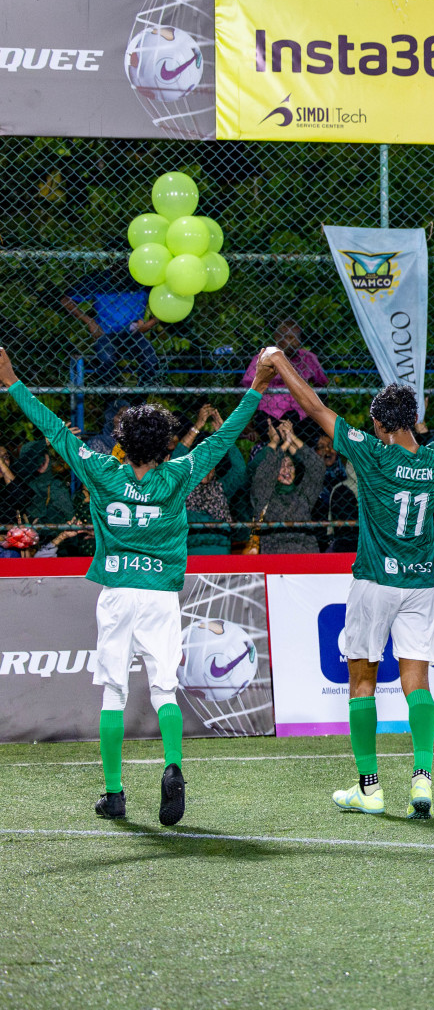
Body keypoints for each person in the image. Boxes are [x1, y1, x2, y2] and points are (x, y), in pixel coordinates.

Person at [0, 344, 274, 824]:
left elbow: (54, 431)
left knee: (113, 694)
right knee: (164, 690)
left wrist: (12, 382)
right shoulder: (179, 474)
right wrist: (257, 389)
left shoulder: (102, 471)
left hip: (119, 594)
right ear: (167, 445)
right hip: (161, 597)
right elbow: (225, 434)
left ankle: (115, 793)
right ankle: (172, 767)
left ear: (123, 442)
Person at [268, 340, 434, 818]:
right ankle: (422, 781)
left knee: (361, 683)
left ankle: (369, 788)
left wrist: (281, 362)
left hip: (374, 583)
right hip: (421, 583)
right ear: (413, 422)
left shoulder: (370, 453)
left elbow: (314, 406)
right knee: (417, 685)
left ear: (381, 425)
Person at [62, 269, 159, 382]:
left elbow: (166, 300)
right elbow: (66, 300)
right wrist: (90, 322)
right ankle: (111, 397)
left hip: (135, 332)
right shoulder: (99, 278)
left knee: (151, 359)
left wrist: (150, 323)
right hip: (106, 333)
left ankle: (139, 398)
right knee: (106, 358)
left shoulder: (143, 278)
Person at [250, 420, 325, 554]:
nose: (287, 470)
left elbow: (317, 467)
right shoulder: (264, 496)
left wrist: (293, 438)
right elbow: (262, 474)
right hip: (275, 559)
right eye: (281, 466)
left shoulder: (303, 494)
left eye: (290, 466)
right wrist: (284, 445)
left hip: (305, 558)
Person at [241, 320, 327, 422]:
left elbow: (322, 386)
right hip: (270, 413)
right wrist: (248, 423)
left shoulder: (308, 358)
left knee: (316, 430)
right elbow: (246, 388)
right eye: (290, 338)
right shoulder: (263, 358)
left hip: (303, 415)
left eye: (298, 338)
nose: (296, 342)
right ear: (278, 338)